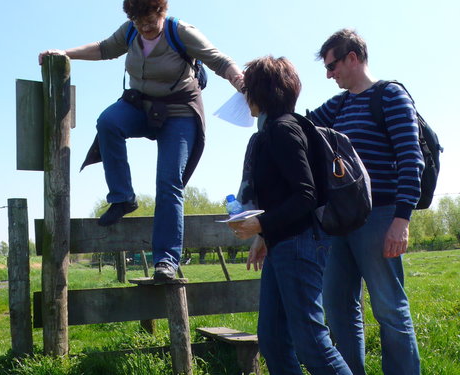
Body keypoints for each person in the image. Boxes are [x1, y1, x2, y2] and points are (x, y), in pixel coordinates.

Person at [38, 0, 243, 281]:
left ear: (162, 12)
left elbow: (219, 60)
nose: (144, 27)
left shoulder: (180, 32)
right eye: (138, 21)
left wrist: (239, 79)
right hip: (140, 107)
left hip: (179, 113)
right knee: (108, 122)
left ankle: (166, 261)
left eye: (150, 20)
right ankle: (122, 198)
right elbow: (103, 48)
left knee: (168, 182)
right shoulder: (130, 31)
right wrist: (65, 53)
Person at [308, 29, 423, 375]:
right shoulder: (338, 105)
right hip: (339, 222)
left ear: (352, 59)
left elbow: (410, 157)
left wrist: (401, 220)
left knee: (389, 308)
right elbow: (302, 126)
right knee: (339, 309)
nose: (329, 74)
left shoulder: (390, 96)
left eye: (331, 66)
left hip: (380, 217)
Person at [228, 55, 352, 375]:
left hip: (300, 243)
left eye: (247, 91)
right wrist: (264, 236)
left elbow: (305, 195)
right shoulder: (275, 130)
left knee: (311, 342)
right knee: (272, 340)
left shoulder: (283, 129)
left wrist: (261, 223)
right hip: (283, 243)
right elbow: (283, 195)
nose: (245, 99)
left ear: (260, 92)